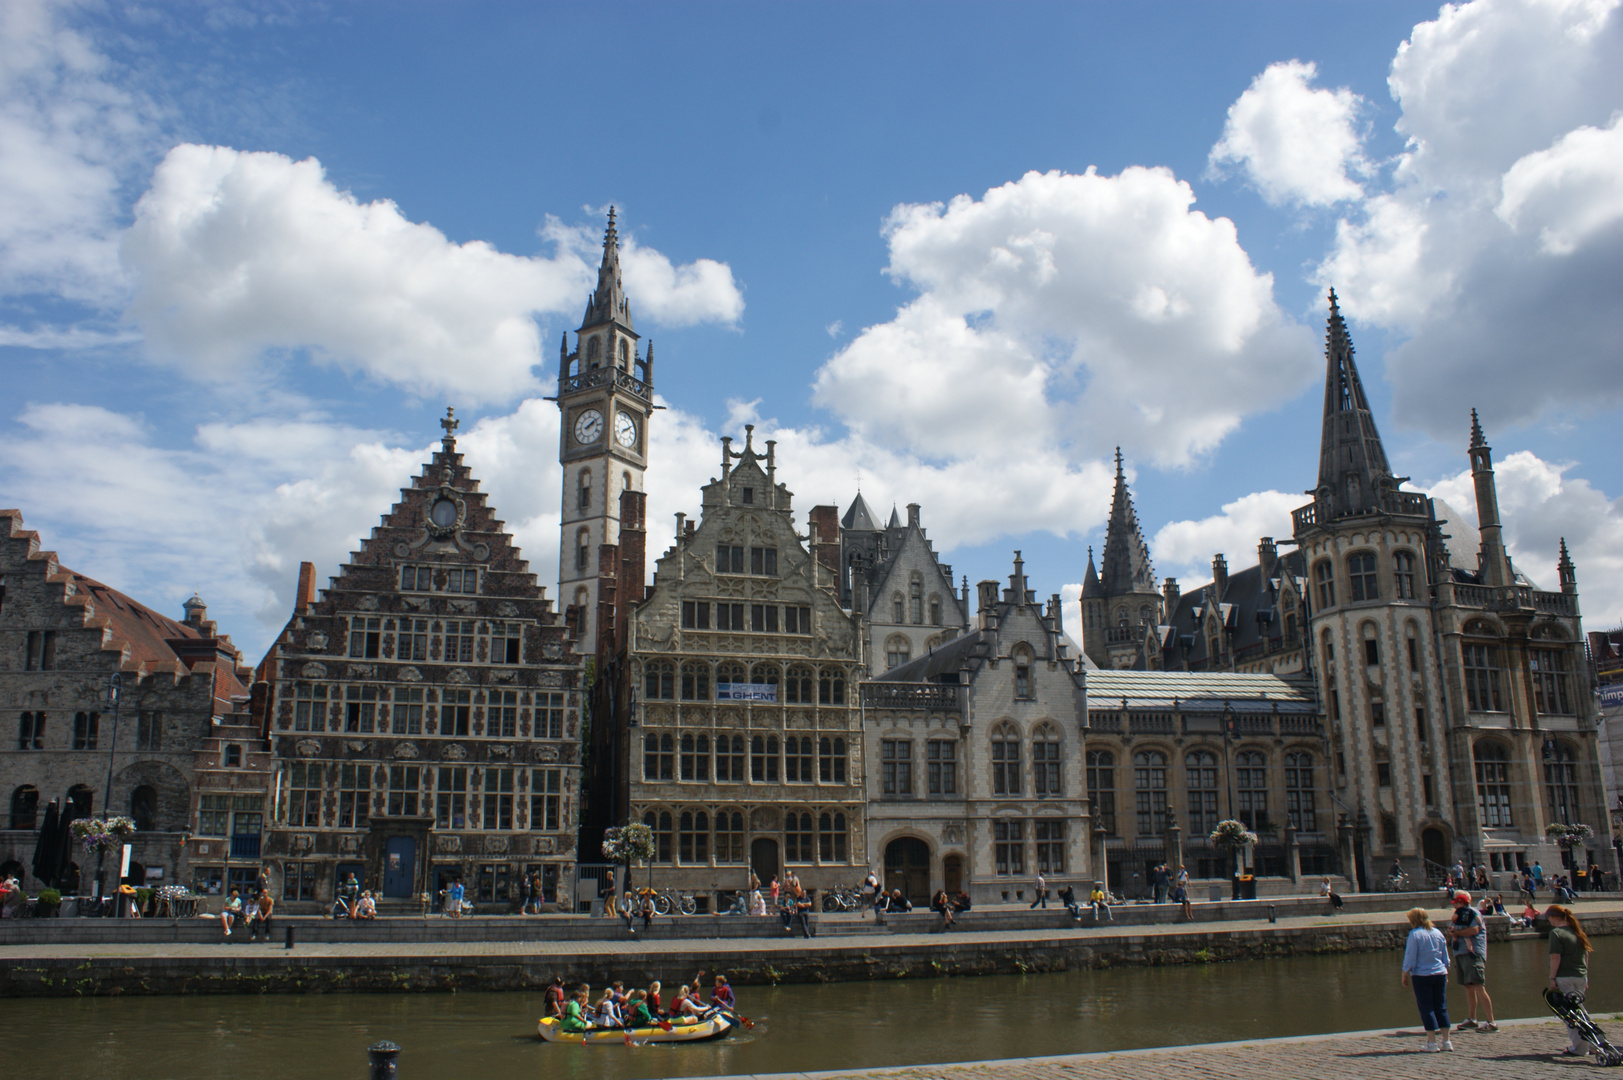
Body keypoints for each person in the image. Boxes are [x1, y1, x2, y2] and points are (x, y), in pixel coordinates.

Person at [1401, 907, 1453, 1052]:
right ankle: (1446, 1041)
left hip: (1422, 975)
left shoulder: (1415, 935)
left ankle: (1432, 1042)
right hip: (1440, 973)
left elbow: (1410, 956)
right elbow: (1445, 955)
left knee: (1427, 1007)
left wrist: (1405, 973)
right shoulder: (1437, 933)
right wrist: (1446, 971)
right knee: (1441, 1006)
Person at [1547, 904, 1597, 1056]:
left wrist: (1552, 978)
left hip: (1565, 976)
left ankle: (1580, 1048)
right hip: (1580, 976)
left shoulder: (1556, 933)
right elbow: (1585, 956)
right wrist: (1585, 976)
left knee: (1571, 1015)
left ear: (1553, 918)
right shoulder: (1578, 932)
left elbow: (1555, 957)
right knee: (1580, 1011)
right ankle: (1594, 1043)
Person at [1447, 890, 1497, 1032]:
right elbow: (1450, 931)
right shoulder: (1457, 916)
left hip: (1472, 954)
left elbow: (1474, 930)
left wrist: (1456, 933)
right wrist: (1451, 933)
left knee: (1478, 985)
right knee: (1468, 986)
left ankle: (1491, 1022)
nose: (1454, 904)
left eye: (1455, 901)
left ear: (1462, 902)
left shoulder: (1473, 913)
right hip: (1460, 953)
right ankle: (1472, 1019)